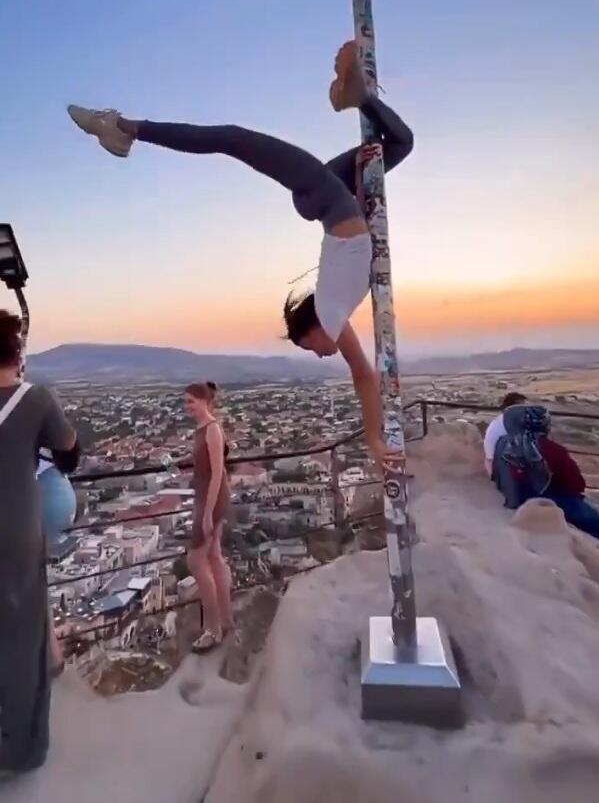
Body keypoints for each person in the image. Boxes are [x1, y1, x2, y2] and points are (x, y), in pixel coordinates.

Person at [67, 42, 413, 468]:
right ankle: (357, 98)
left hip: (325, 197)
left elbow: (363, 374)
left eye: (313, 348)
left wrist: (375, 439)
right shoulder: (335, 307)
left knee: (233, 139)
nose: (324, 354)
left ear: (314, 324)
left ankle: (121, 126)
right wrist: (360, 182)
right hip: (332, 199)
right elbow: (353, 244)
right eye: (314, 351)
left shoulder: (331, 309)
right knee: (399, 144)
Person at [0, 310, 75, 777]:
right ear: (18, 353)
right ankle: (19, 752)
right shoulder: (36, 398)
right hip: (16, 526)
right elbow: (68, 452)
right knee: (23, 635)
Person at [495, 403, 599, 538]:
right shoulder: (551, 449)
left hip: (516, 500)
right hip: (552, 503)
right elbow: (576, 483)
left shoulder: (502, 444)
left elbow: (497, 476)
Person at [184, 382, 232, 652]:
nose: (188, 407)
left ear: (205, 401)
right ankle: (225, 622)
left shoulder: (212, 429)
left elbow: (217, 474)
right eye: (186, 402)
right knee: (214, 558)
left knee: (197, 561)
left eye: (191, 401)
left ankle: (212, 629)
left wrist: (207, 515)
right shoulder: (202, 429)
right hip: (207, 498)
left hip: (210, 500)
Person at [37, 441, 80, 675]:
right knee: (36, 580)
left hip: (41, 506)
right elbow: (71, 455)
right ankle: (53, 656)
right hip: (60, 500)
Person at [483, 391, 527, 476]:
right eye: (523, 407)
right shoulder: (501, 425)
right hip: (506, 469)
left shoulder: (501, 421)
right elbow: (489, 459)